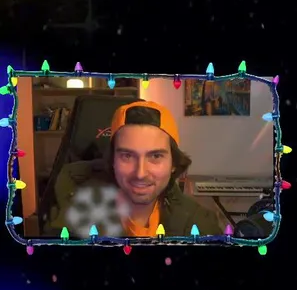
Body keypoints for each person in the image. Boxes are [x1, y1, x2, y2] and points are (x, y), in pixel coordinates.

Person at [45, 100, 225, 239]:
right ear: (112, 160)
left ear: (173, 164)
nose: (140, 173)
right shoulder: (73, 217)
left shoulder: (199, 224)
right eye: (127, 156)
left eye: (155, 156)